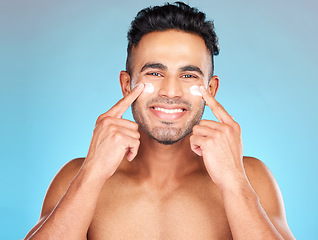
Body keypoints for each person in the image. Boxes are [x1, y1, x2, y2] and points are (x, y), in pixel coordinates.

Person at [25, 2, 295, 239]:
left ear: (210, 90)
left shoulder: (252, 178)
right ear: (126, 84)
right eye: (154, 73)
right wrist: (92, 175)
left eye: (188, 75)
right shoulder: (76, 176)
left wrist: (235, 183)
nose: (171, 91)